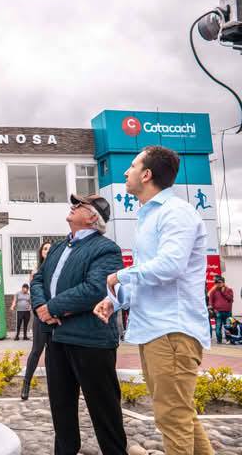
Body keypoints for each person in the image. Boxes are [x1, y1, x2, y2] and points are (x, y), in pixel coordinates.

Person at [95, 146, 213, 455]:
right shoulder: (150, 215)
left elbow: (170, 266)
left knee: (173, 418)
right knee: (180, 415)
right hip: (156, 330)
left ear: (147, 174)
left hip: (172, 331)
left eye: (132, 166)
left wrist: (120, 276)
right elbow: (149, 277)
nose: (126, 172)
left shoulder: (176, 212)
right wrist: (115, 301)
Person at [31, 193, 127, 454]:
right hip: (57, 338)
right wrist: (40, 308)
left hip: (91, 341)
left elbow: (96, 288)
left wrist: (52, 307)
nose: (73, 206)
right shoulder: (59, 247)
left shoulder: (106, 249)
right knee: (61, 410)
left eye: (80, 205)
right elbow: (38, 279)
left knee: (104, 411)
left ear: (93, 218)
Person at [21, 241, 51, 400]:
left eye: (50, 249)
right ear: (41, 253)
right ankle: (26, 384)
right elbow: (35, 294)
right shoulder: (35, 271)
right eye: (45, 248)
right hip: (40, 316)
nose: (47, 251)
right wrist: (41, 311)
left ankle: (54, 387)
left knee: (53, 353)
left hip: (55, 315)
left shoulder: (58, 270)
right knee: (36, 351)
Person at [208, 275, 234, 344]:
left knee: (228, 327)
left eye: (220, 282)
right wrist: (213, 309)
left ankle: (228, 340)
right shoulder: (213, 291)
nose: (218, 284)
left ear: (223, 283)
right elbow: (210, 301)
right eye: (216, 283)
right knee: (218, 327)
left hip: (227, 312)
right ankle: (219, 340)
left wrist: (223, 292)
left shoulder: (229, 290)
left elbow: (230, 299)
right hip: (218, 312)